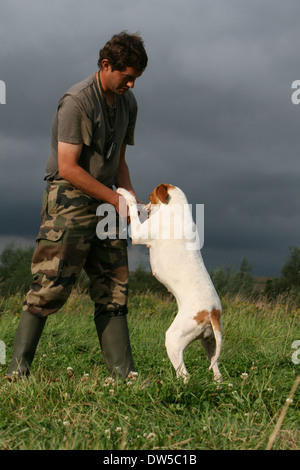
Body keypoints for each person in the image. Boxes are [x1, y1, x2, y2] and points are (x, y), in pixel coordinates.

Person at [6, 31, 148, 380]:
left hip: (107, 199)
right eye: (126, 76)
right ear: (105, 65)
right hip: (69, 197)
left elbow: (120, 161)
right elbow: (68, 166)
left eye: (136, 78)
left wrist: (129, 199)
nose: (131, 84)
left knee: (114, 287)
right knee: (50, 284)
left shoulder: (128, 103)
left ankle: (123, 378)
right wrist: (114, 197)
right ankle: (17, 373)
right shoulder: (77, 101)